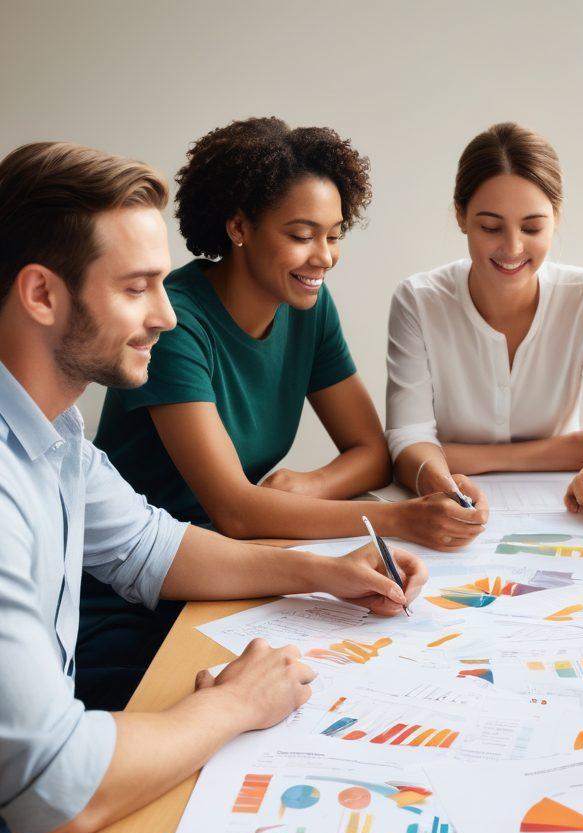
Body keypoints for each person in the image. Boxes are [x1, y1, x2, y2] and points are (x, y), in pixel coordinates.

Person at [0, 141, 426, 833]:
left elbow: (156, 547)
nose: (165, 314)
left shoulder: (55, 437)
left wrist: (326, 570)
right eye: (137, 288)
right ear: (42, 294)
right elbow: (57, 784)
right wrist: (233, 707)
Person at [76, 118, 479, 711]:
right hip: (143, 593)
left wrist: (312, 485)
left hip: (239, 569)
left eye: (335, 235)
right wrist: (400, 521)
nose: (324, 257)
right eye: (302, 234)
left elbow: (370, 451)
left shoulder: (307, 304)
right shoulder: (177, 323)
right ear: (238, 226)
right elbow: (236, 510)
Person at [385, 121, 583, 524]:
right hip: (458, 509)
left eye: (532, 227)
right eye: (490, 227)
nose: (512, 248)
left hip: (563, 516)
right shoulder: (419, 300)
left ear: (556, 216)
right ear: (461, 216)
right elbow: (407, 440)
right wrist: (555, 451)